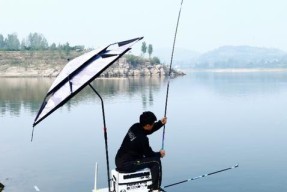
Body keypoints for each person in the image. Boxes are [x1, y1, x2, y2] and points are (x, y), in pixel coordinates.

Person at [115, 111, 167, 192]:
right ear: (147, 125)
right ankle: (155, 188)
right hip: (127, 164)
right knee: (155, 161)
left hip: (119, 160)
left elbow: (147, 131)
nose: (154, 124)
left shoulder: (135, 126)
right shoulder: (142, 139)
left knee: (149, 158)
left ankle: (154, 185)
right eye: (153, 123)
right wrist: (159, 154)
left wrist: (160, 123)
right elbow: (149, 154)